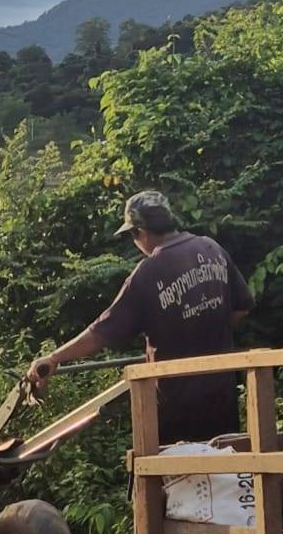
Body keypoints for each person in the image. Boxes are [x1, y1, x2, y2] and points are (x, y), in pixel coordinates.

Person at [26, 190, 251, 444]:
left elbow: (101, 332)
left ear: (140, 233)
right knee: (226, 472)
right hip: (222, 395)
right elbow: (241, 308)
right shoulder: (212, 248)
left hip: (176, 405)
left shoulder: (148, 272)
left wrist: (55, 358)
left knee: (176, 478)